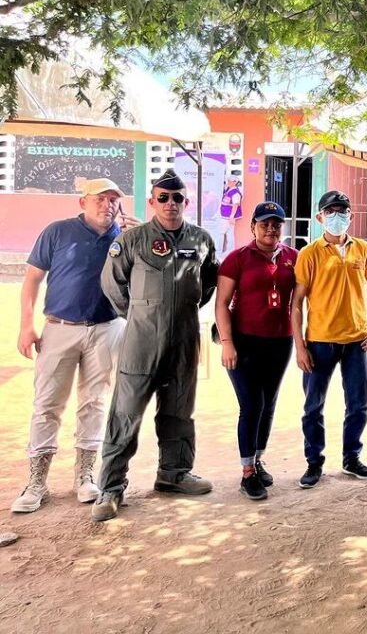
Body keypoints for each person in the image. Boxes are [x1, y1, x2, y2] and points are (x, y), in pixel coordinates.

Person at [92, 169, 219, 521]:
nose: (170, 203)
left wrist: (179, 311)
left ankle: (174, 474)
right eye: (163, 197)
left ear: (186, 202)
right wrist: (141, 314)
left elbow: (208, 285)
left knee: (179, 410)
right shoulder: (132, 240)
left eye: (177, 197)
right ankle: (111, 488)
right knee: (126, 413)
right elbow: (113, 285)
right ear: (152, 202)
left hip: (184, 340)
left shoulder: (202, 239)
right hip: (141, 343)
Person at [11, 178, 135, 514]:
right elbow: (33, 279)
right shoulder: (57, 231)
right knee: (47, 404)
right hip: (59, 329)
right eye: (100, 199)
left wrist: (141, 237)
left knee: (94, 403)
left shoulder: (124, 238)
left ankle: (85, 476)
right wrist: (27, 325)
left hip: (106, 329)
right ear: (83, 202)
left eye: (113, 199)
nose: (107, 205)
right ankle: (37, 482)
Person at [293, 191, 367, 488]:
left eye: (342, 211)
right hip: (320, 341)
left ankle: (351, 457)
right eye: (331, 211)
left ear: (351, 216)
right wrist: (300, 346)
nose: (337, 216)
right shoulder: (309, 254)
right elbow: (296, 303)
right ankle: (314, 462)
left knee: (359, 404)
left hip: (356, 341)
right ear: (320, 217)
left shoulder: (363, 249)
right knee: (313, 406)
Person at [214, 201, 298, 501]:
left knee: (269, 404)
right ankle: (247, 472)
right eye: (265, 223)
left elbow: (300, 303)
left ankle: (258, 458)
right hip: (243, 343)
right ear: (253, 227)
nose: (271, 229)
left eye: (277, 224)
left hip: (280, 342)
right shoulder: (236, 258)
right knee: (251, 405)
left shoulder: (294, 258)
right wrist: (227, 343)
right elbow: (221, 303)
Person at [217, 176, 243, 254]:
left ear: (235, 182)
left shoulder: (235, 193)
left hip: (227, 217)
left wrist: (231, 216)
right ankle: (230, 252)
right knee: (229, 234)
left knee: (221, 233)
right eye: (228, 180)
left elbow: (235, 205)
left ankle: (219, 251)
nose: (228, 182)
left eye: (230, 181)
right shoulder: (229, 190)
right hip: (226, 216)